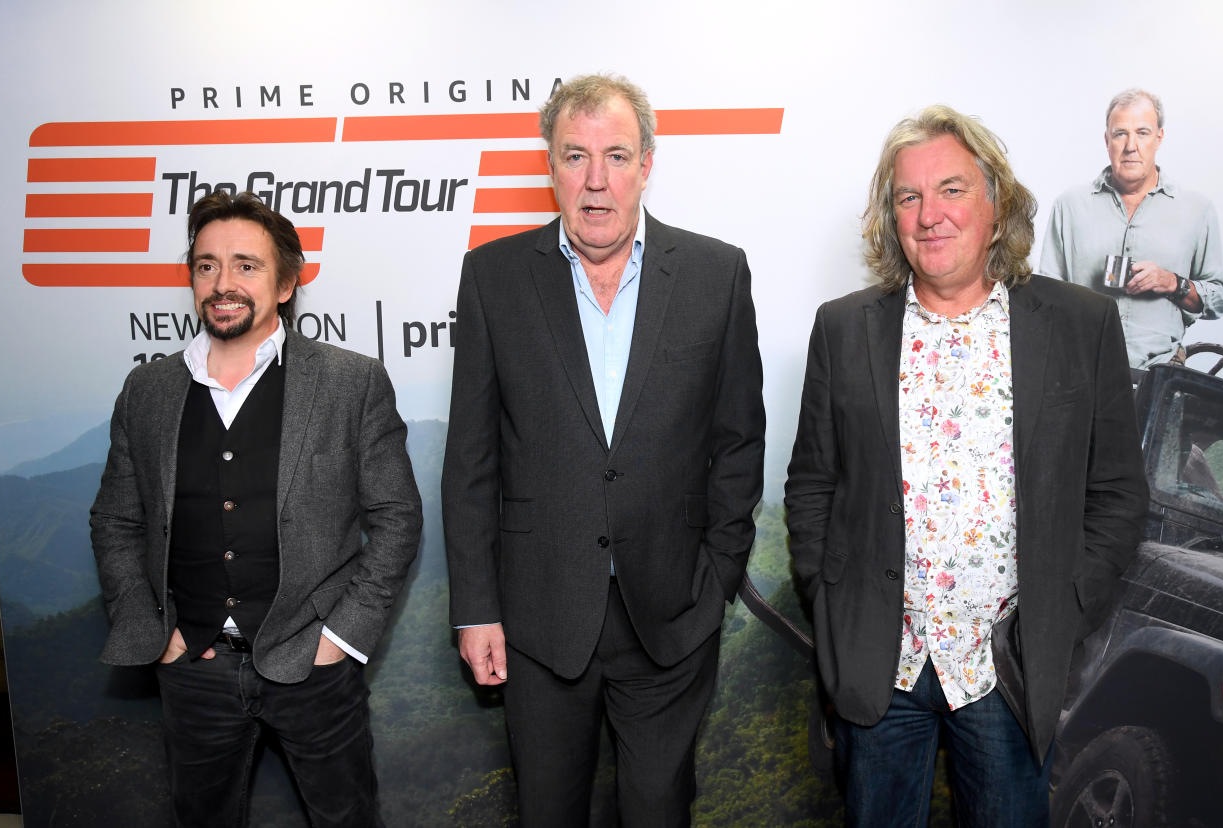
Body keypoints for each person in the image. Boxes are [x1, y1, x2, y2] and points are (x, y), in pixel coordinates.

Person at [784, 105, 1148, 826]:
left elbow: (1116, 494)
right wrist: (833, 610)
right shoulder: (842, 328)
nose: (929, 216)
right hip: (880, 669)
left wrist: (1062, 612)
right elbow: (812, 485)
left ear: (996, 202)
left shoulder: (1080, 325)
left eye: (950, 190)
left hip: (1007, 670)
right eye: (908, 197)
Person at [442, 73, 765, 827]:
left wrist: (716, 578)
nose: (596, 183)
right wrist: (476, 608)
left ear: (647, 163)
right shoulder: (494, 277)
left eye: (616, 156)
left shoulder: (717, 275)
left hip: (673, 615)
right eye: (574, 157)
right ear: (549, 166)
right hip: (537, 617)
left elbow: (738, 442)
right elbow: (471, 462)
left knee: (659, 813)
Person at [90, 191, 422, 827]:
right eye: (207, 265)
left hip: (315, 668)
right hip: (192, 671)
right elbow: (115, 521)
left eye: (247, 265)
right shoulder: (148, 390)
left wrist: (341, 637)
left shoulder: (350, 383)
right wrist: (155, 632)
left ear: (287, 282)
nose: (223, 283)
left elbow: (397, 517)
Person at [1039, 88, 1223, 369]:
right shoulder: (1070, 206)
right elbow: (1046, 300)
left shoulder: (1197, 210)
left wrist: (1171, 282)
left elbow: (1218, 300)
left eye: (1142, 133)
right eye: (1120, 134)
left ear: (1159, 137)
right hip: (1081, 369)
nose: (1131, 146)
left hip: (1160, 372)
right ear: (1107, 140)